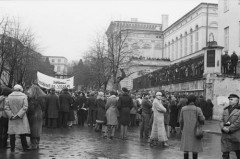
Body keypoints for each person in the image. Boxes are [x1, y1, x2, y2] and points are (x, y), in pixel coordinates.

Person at [4, 84, 30, 152]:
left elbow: (6, 107)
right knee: (22, 133)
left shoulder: (9, 96)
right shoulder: (24, 96)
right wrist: (18, 115)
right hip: (21, 118)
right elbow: (25, 107)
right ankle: (24, 148)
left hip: (12, 118)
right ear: (20, 89)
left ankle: (12, 149)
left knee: (12, 134)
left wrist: (11, 115)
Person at [179, 94, 205, 159]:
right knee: (195, 149)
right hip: (195, 131)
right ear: (195, 100)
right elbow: (202, 119)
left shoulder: (183, 109)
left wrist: (181, 129)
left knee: (186, 149)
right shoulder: (198, 109)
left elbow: (181, 120)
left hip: (186, 130)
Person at [220, 94, 240, 159]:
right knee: (225, 154)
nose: (230, 100)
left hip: (236, 135)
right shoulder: (226, 109)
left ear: (237, 100)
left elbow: (238, 122)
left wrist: (229, 128)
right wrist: (223, 127)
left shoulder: (239, 110)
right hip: (225, 135)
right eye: (229, 99)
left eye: (231, 99)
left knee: (238, 153)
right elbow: (221, 120)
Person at [27, 84, 46, 150]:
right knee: (38, 129)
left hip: (32, 115)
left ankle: (33, 144)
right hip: (39, 114)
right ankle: (37, 143)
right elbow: (44, 107)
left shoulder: (30, 98)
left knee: (32, 130)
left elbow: (30, 108)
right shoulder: (42, 98)